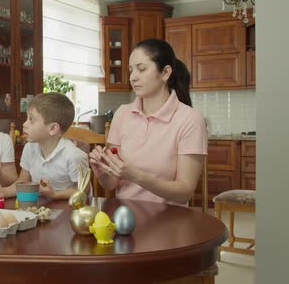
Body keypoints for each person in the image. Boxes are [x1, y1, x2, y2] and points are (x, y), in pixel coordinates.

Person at [89, 38, 207, 205]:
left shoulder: (190, 119)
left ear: (165, 73)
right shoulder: (122, 114)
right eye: (130, 70)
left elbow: (185, 192)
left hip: (169, 219)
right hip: (125, 216)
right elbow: (111, 184)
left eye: (141, 69)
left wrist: (137, 176)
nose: (133, 77)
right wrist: (103, 173)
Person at [0, 92, 89, 200]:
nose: (24, 124)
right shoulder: (29, 148)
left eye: (31, 119)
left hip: (68, 210)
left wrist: (54, 195)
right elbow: (23, 182)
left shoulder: (74, 156)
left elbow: (83, 190)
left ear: (53, 129)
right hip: (40, 207)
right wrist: (3, 191)